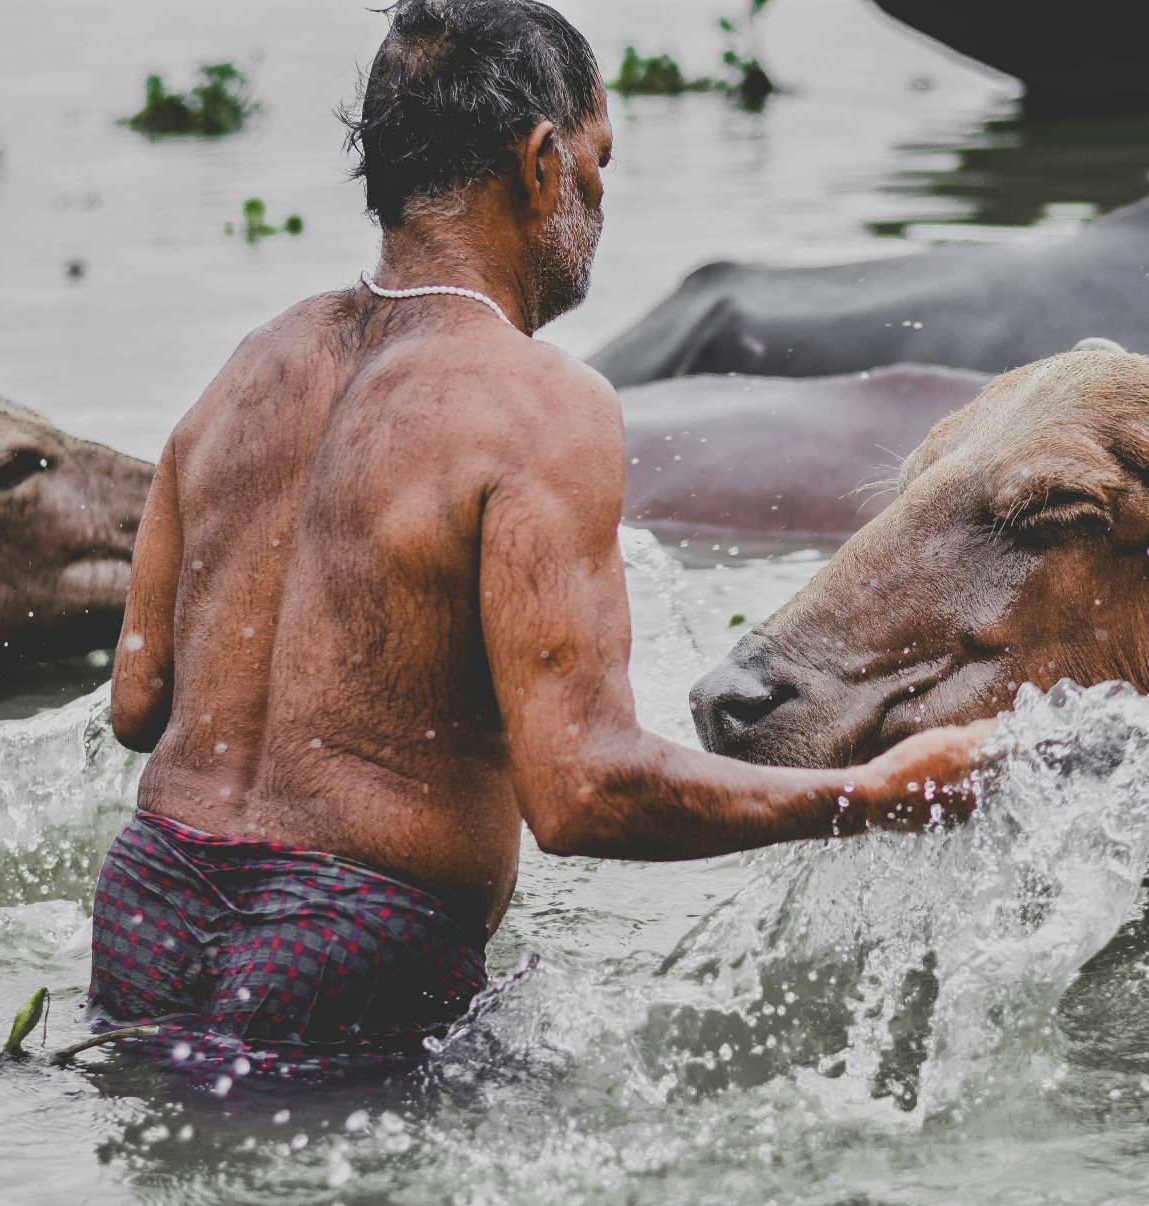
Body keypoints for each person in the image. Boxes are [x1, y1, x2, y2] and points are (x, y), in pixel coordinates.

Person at [94, 0, 990, 1082]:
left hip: (145, 908)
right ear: (540, 163)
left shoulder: (245, 371)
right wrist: (872, 795)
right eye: (599, 163)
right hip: (349, 940)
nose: (601, 200)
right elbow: (584, 791)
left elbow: (139, 702)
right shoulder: (539, 406)